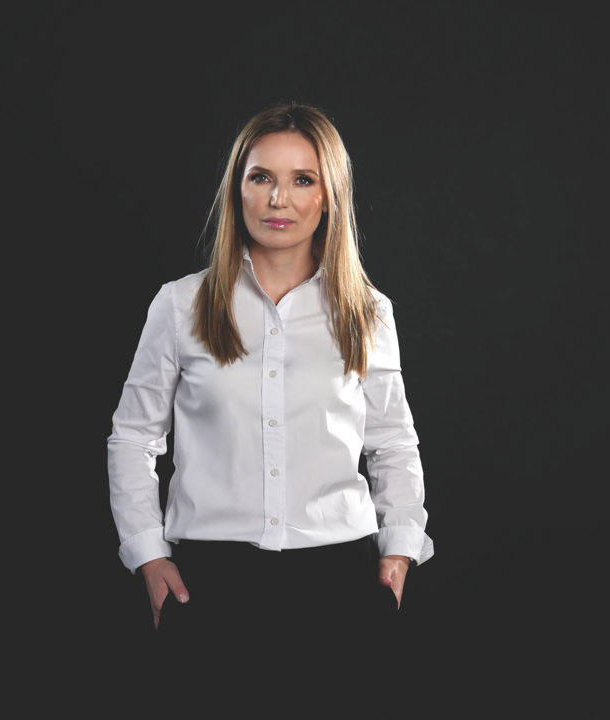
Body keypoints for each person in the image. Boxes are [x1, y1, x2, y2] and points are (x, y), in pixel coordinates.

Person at [106, 103, 433, 680]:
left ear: (329, 196)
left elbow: (392, 441)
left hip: (341, 581)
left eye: (302, 179)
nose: (278, 199)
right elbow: (133, 436)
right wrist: (148, 555)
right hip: (209, 584)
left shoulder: (367, 313)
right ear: (238, 190)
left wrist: (400, 549)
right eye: (261, 177)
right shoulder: (180, 305)